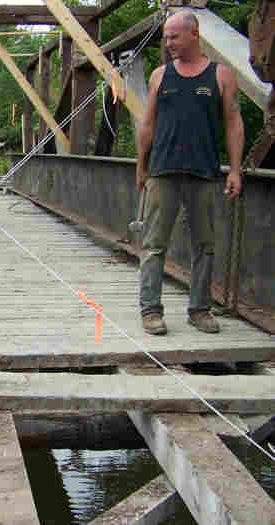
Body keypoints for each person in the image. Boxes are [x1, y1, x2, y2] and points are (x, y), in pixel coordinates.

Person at [136, 11, 244, 335]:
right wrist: (141, 165)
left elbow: (233, 123)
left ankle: (199, 310)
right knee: (154, 244)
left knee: (204, 246)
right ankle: (151, 311)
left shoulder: (221, 75)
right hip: (163, 171)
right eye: (166, 37)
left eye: (174, 37)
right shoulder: (159, 76)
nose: (168, 43)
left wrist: (235, 170)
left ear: (194, 35)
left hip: (204, 172)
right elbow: (148, 124)